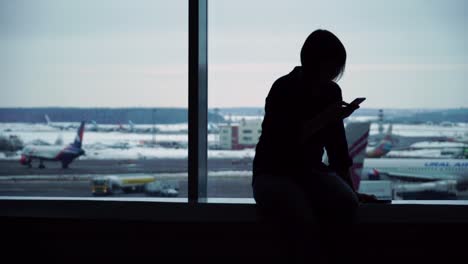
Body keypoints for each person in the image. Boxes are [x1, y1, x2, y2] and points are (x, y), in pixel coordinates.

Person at [252, 29, 376, 263]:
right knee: (302, 215)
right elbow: (282, 144)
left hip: (301, 172)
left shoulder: (329, 91)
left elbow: (337, 147)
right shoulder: (283, 88)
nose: (335, 73)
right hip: (274, 172)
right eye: (333, 66)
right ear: (318, 62)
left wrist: (350, 190)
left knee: (344, 203)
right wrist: (326, 118)